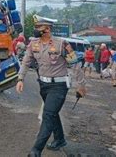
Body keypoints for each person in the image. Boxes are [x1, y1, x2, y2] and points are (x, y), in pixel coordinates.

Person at [16, 15, 86, 157]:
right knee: (52, 113)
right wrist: (20, 78)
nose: (35, 29)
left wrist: (81, 85)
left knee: (48, 115)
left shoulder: (62, 44)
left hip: (59, 86)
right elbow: (26, 61)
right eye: (35, 27)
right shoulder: (33, 44)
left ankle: (36, 150)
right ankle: (59, 140)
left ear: (47, 29)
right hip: (43, 85)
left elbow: (75, 64)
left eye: (38, 27)